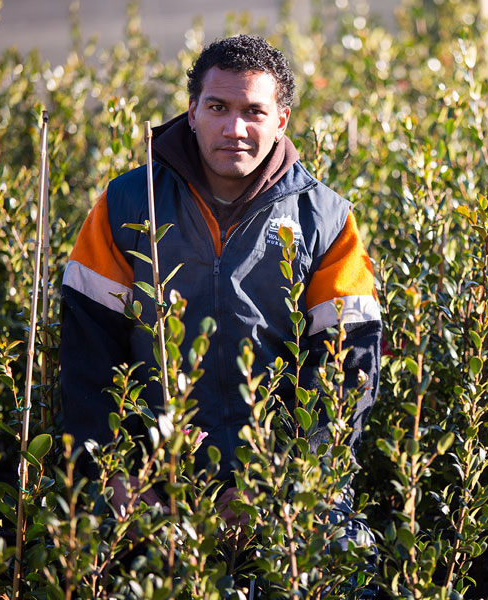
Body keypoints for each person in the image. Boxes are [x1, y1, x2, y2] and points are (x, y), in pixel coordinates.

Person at [60, 35, 381, 543]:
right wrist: (120, 483)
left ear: (281, 121)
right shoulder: (124, 205)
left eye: (254, 111)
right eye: (217, 107)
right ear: (191, 113)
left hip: (286, 486)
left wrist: (279, 482)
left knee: (350, 557)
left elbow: (349, 371)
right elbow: (87, 362)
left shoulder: (327, 219)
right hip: (151, 483)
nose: (235, 128)